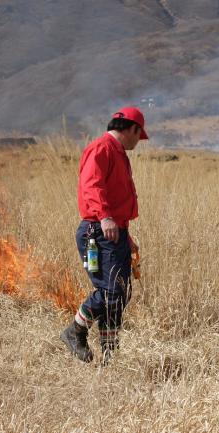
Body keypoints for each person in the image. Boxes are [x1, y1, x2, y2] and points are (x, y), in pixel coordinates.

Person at [60, 106, 148, 364]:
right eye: (138, 136)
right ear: (132, 129)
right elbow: (91, 185)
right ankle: (74, 331)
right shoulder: (102, 148)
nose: (138, 143)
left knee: (120, 293)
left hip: (113, 231)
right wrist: (105, 217)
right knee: (111, 291)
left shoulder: (118, 153)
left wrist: (125, 234)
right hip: (98, 232)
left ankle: (110, 356)